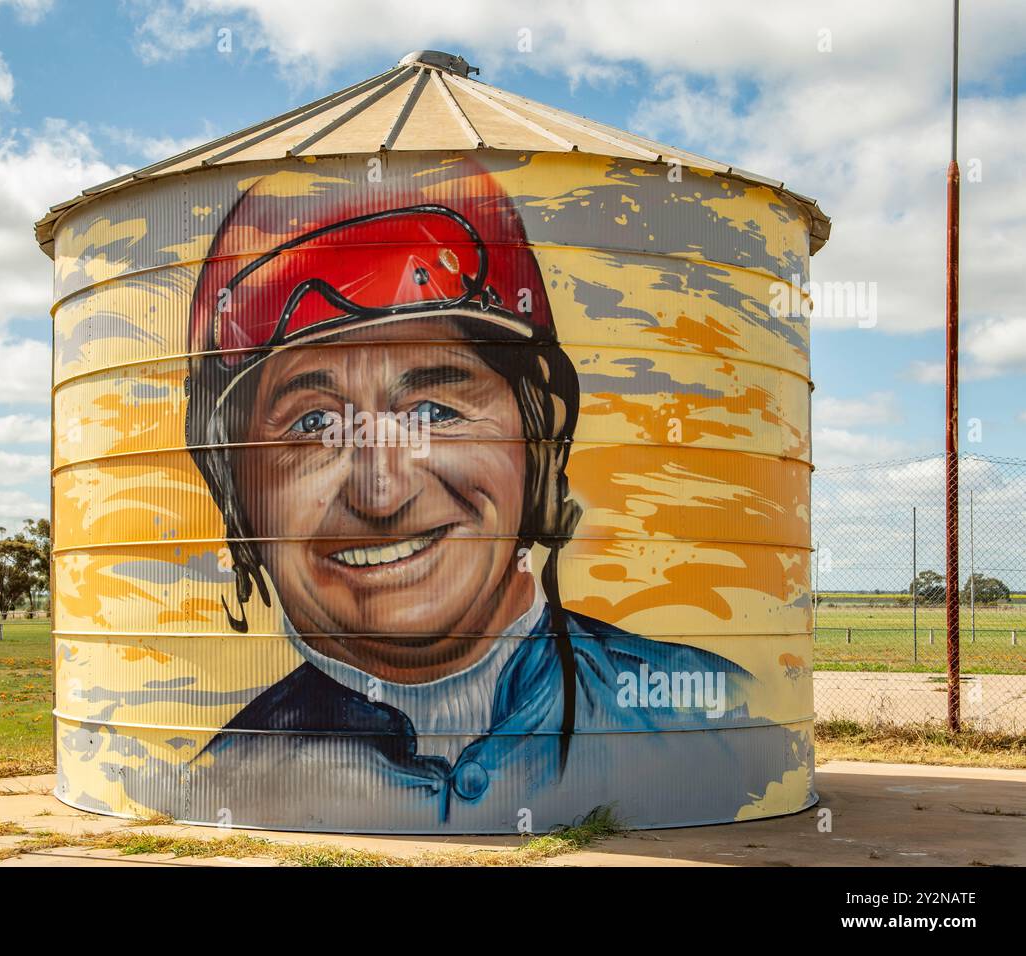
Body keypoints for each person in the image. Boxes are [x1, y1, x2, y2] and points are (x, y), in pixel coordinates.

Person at [180, 164, 776, 831]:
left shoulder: (723, 722)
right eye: (313, 423)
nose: (382, 492)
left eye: (435, 410)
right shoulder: (218, 784)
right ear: (237, 496)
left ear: (539, 434)